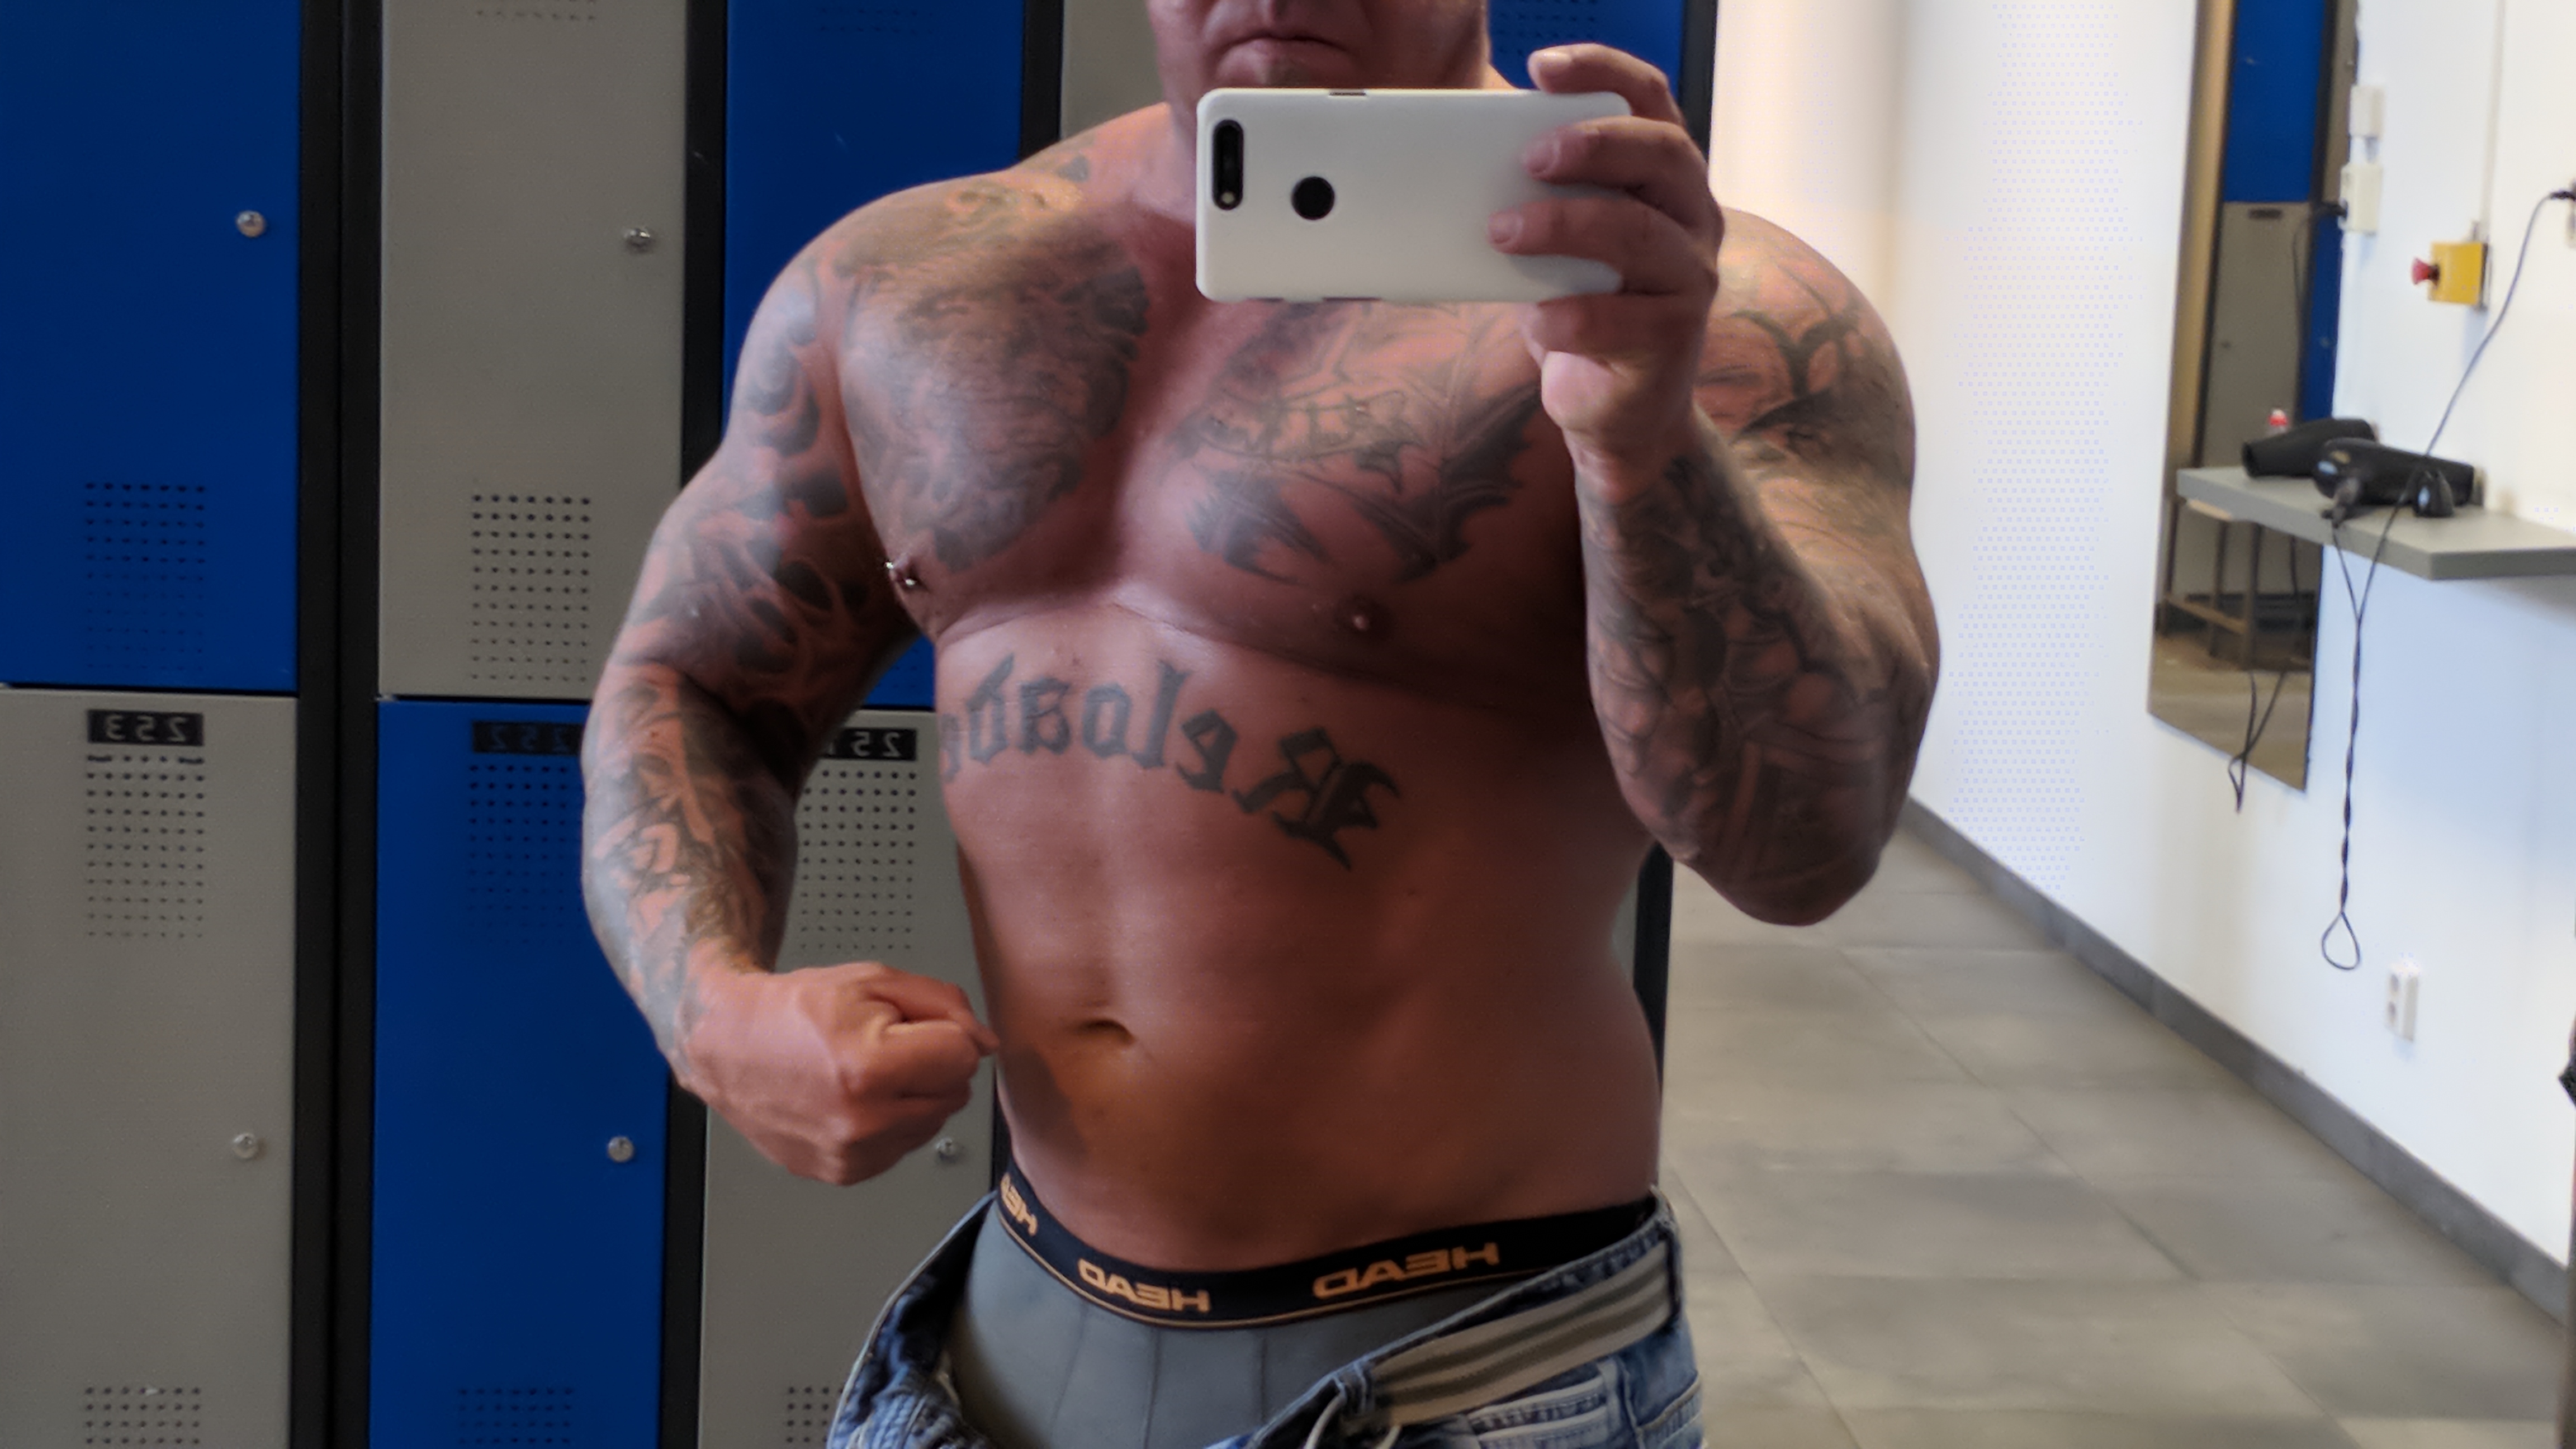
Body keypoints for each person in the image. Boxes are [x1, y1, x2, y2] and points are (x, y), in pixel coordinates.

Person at [579, 4, 1938, 1448]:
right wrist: (709, 1009)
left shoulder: (1720, 319)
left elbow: (1807, 849)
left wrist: (1643, 442)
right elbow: (694, 685)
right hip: (1001, 1343)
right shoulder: (903, 287)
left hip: (1467, 1373)